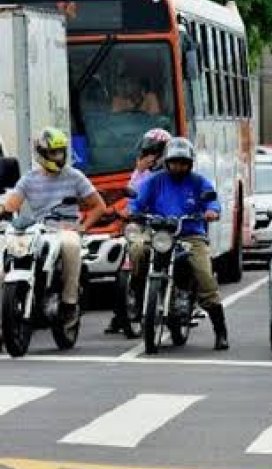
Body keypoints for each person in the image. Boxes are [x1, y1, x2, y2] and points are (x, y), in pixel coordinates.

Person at [127, 137, 229, 351]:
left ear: (190, 163)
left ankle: (220, 331)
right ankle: (137, 295)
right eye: (174, 162)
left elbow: (211, 200)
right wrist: (132, 211)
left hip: (190, 235)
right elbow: (136, 201)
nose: (178, 166)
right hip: (159, 234)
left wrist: (212, 210)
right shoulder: (154, 181)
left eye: (183, 163)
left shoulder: (199, 182)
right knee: (137, 249)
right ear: (166, 162)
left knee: (204, 274)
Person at [0, 128, 107, 330]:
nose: (58, 157)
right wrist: (3, 208)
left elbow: (99, 206)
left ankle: (69, 303)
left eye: (60, 152)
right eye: (53, 153)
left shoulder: (75, 176)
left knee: (71, 244)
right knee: (7, 250)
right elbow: (11, 204)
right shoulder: (29, 179)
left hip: (65, 231)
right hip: (38, 231)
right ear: (41, 153)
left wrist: (82, 226)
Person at [105, 128, 173, 335]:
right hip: (144, 225)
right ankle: (124, 311)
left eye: (152, 152)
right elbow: (133, 197)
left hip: (167, 228)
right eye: (146, 151)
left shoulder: (173, 172)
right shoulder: (141, 172)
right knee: (133, 253)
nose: (147, 156)